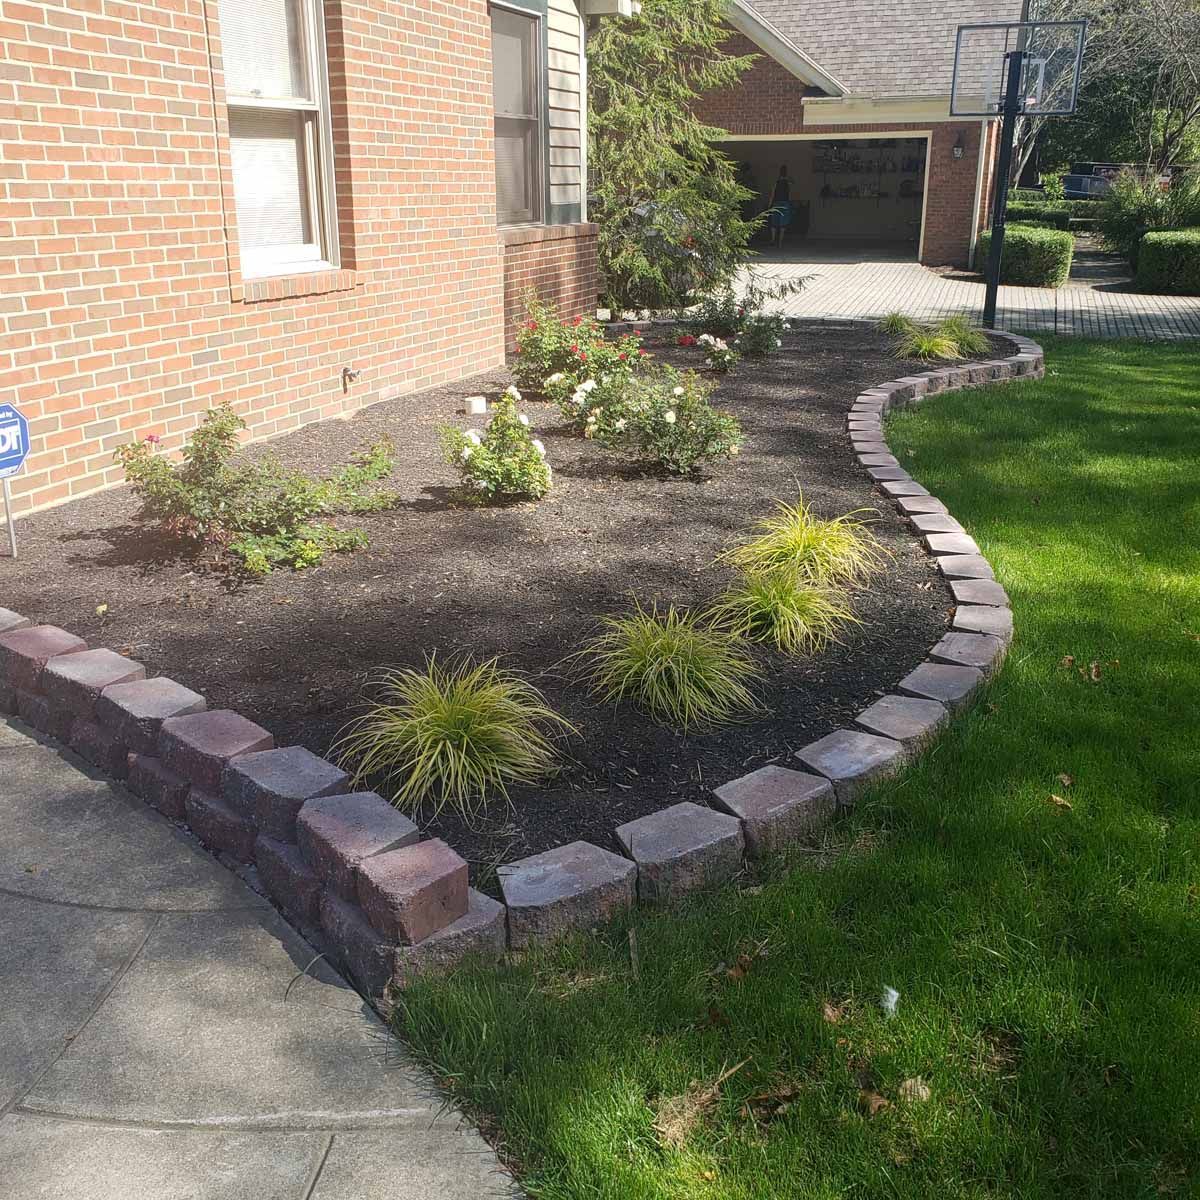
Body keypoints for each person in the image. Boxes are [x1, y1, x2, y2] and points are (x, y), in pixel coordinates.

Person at [767, 165, 794, 247]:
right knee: (783, 224)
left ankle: (773, 239)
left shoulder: (776, 183)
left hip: (776, 203)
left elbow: (772, 195)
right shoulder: (788, 183)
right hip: (785, 204)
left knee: (773, 222)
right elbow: (790, 194)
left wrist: (769, 205)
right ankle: (780, 243)